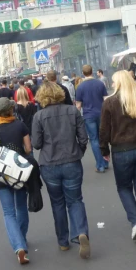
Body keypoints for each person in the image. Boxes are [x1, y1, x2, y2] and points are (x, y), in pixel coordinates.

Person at [99, 70, 136, 240]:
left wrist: (104, 150)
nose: (111, 84)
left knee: (124, 187)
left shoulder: (110, 103)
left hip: (121, 150)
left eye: (113, 82)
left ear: (118, 83)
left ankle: (135, 220)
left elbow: (104, 130)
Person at [32, 82, 90, 257]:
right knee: (75, 200)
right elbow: (83, 137)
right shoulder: (72, 111)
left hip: (49, 164)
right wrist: (79, 152)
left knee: (57, 203)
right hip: (72, 161)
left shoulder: (39, 116)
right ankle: (80, 232)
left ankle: (63, 241)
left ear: (41, 97)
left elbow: (36, 143)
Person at [0, 98, 32, 264]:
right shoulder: (20, 125)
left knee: (8, 212)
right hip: (19, 175)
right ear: (12, 110)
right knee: (21, 208)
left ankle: (18, 245)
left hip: (2, 176)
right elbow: (28, 149)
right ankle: (21, 238)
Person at [75, 65, 109, 174]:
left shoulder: (80, 87)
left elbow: (78, 105)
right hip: (101, 114)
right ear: (92, 72)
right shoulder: (100, 83)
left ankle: (100, 165)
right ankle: (106, 161)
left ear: (83, 73)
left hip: (88, 115)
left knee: (94, 139)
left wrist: (75, 118)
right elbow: (105, 99)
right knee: (103, 137)